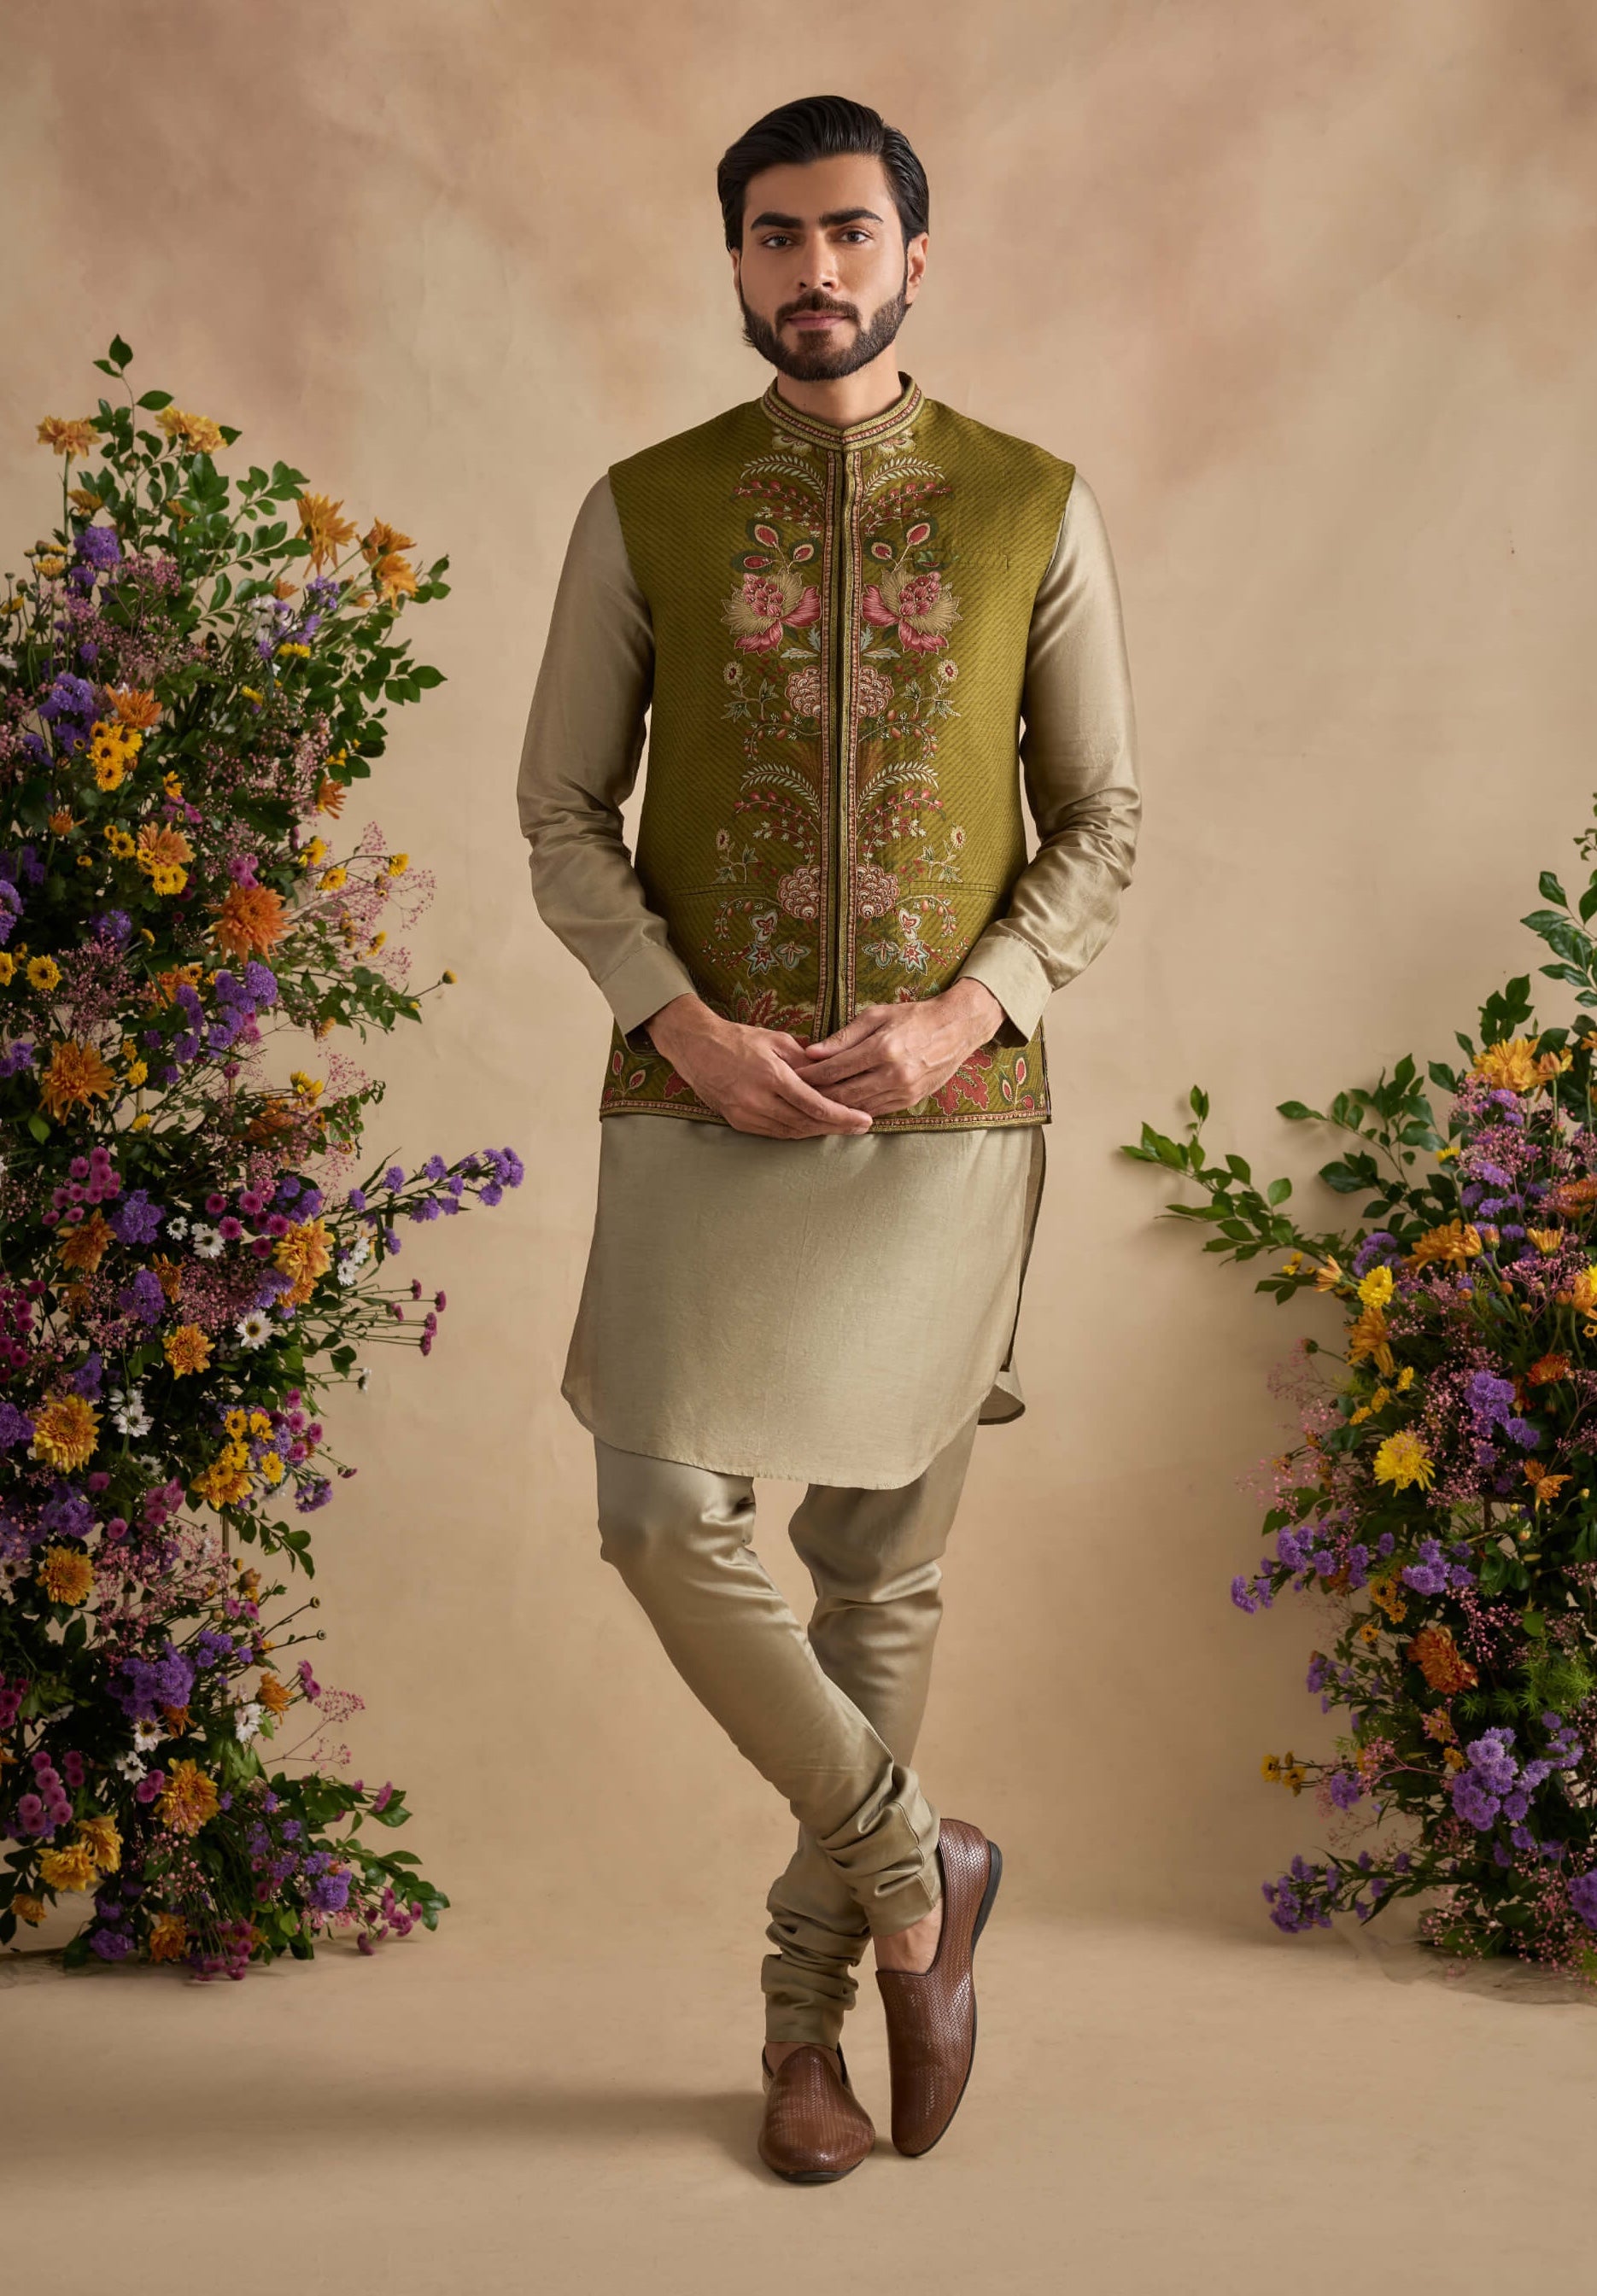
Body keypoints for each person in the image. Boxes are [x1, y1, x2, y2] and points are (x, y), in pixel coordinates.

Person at [516, 91, 1141, 2182]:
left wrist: (968, 1011)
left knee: (877, 1569)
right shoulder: (649, 506)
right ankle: (912, 1866)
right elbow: (559, 814)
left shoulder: (1031, 504)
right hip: (699, 1091)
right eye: (775, 235)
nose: (815, 270)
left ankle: (804, 2038)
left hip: (945, 1120)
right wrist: (677, 1023)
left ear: (913, 257)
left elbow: (1099, 822)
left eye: (849, 232)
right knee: (655, 1510)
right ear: (734, 261)